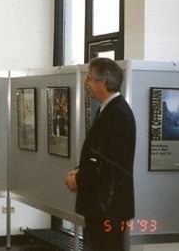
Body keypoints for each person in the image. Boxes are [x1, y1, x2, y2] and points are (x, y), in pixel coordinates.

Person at [65, 58, 136, 251]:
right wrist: (79, 171)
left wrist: (79, 177)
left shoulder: (118, 114)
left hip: (108, 208)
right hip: (102, 205)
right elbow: (98, 155)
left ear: (102, 82)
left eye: (88, 78)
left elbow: (109, 165)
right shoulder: (108, 110)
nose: (85, 83)